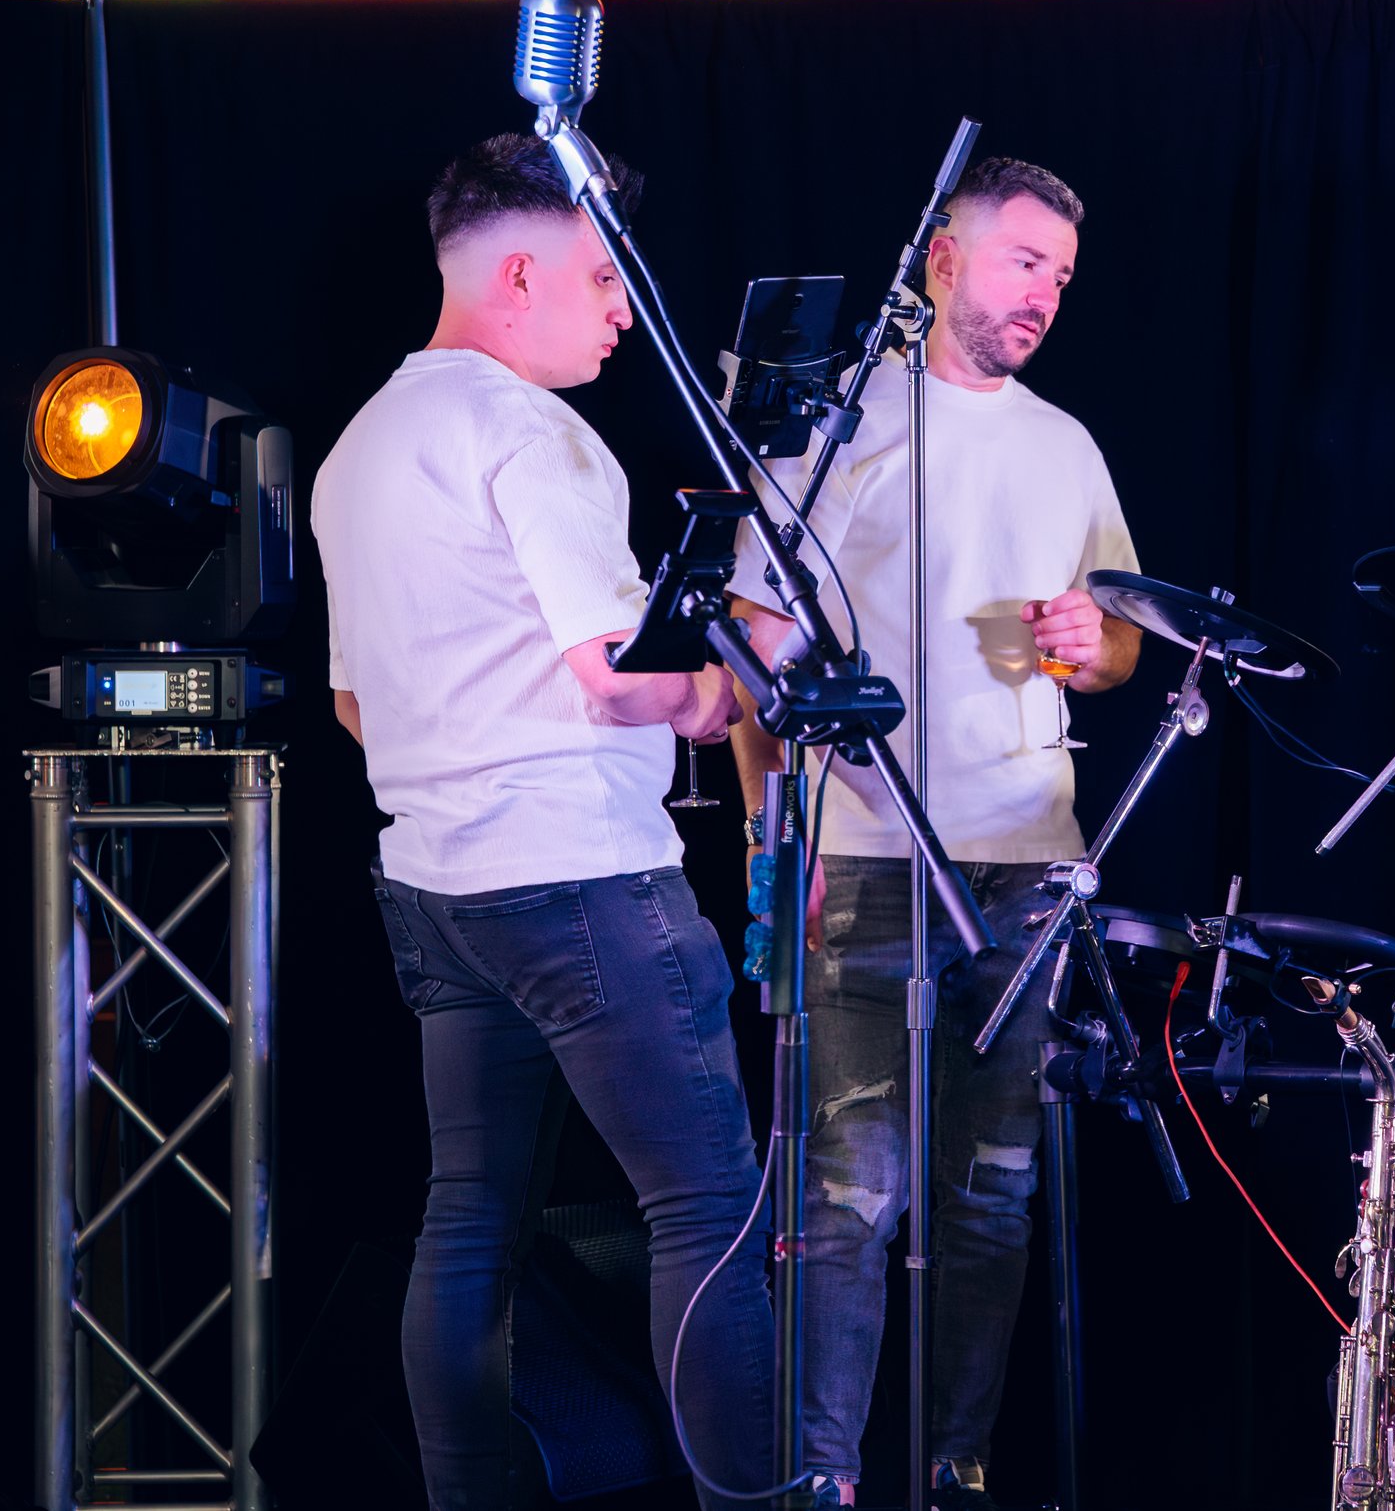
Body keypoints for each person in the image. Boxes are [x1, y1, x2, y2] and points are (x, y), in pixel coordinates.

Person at [313, 134, 773, 1511]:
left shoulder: (363, 442)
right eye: (601, 276)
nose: (624, 309)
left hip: (439, 892)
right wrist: (719, 689)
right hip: (581, 883)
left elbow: (350, 702)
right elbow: (617, 678)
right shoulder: (529, 428)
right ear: (520, 273)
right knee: (709, 1206)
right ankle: (760, 1496)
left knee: (471, 1215)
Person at [723, 157, 1141, 1511]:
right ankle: (823, 1477)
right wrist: (760, 833)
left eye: (1063, 277)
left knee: (990, 1197)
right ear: (945, 260)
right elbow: (750, 649)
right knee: (850, 1198)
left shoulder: (1064, 442)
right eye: (1025, 262)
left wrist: (1100, 643)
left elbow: (1123, 637)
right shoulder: (844, 424)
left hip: (1025, 866)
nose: (1046, 295)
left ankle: (958, 1468)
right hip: (864, 854)